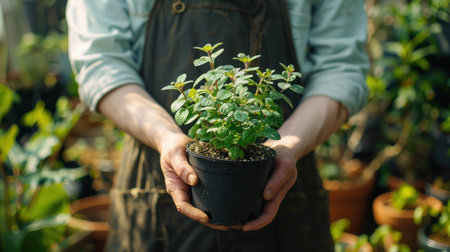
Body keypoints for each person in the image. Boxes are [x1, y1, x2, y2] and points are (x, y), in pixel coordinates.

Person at [66, 0, 369, 251]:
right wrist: (165, 135)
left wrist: (288, 144)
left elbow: (341, 68)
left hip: (284, 185)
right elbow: (100, 62)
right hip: (153, 196)